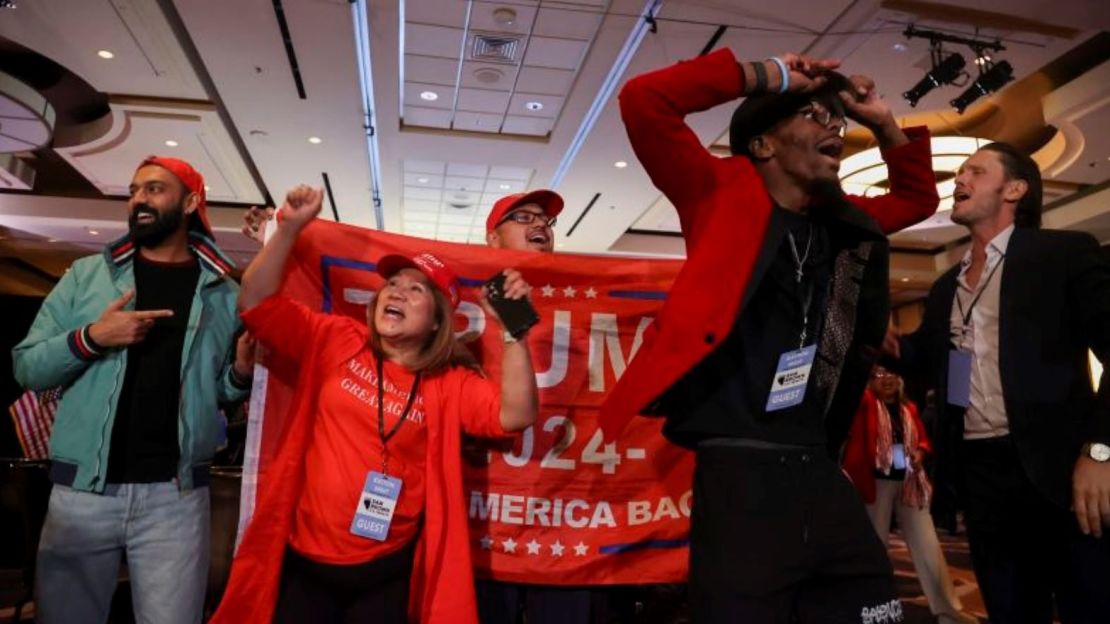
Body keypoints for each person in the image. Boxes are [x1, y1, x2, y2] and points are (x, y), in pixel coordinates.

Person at [598, 49, 939, 622]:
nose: (834, 126)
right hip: (740, 473)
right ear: (762, 146)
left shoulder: (840, 218)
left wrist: (882, 123)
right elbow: (644, 99)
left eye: (838, 120)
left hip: (819, 464)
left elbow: (917, 199)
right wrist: (769, 75)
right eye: (813, 115)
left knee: (874, 608)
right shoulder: (715, 190)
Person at [212, 185, 539, 624]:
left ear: (438, 320)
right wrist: (289, 230)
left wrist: (514, 330)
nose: (397, 293)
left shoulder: (448, 383)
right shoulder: (336, 340)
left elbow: (515, 415)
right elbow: (255, 304)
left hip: (385, 570)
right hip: (304, 562)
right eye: (391, 284)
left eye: (416, 290)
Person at [12, 156, 253, 624]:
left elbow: (220, 392)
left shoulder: (222, 294)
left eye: (155, 189)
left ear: (190, 202)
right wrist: (91, 338)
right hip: (83, 494)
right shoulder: (87, 276)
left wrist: (240, 373)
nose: (139, 199)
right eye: (135, 190)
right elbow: (27, 366)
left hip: (176, 498)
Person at [887, 142, 1110, 623]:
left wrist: (1099, 452)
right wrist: (876, 338)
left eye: (975, 170)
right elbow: (920, 359)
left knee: (1089, 603)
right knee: (1009, 609)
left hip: (1062, 470)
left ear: (1015, 189)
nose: (959, 179)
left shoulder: (1061, 254)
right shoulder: (948, 285)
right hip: (980, 476)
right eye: (960, 172)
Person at [842, 367, 976, 624]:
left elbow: (924, 441)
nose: (887, 379)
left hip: (908, 481)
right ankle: (872, 613)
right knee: (875, 552)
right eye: (879, 375)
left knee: (929, 548)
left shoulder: (910, 409)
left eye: (891, 375)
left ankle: (950, 613)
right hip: (875, 483)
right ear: (870, 382)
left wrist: (920, 453)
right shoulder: (867, 405)